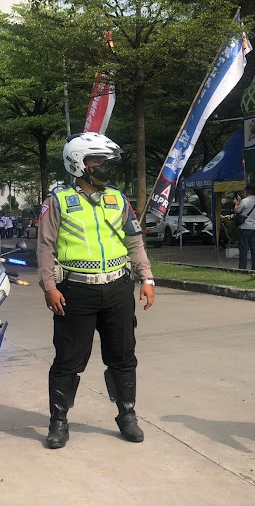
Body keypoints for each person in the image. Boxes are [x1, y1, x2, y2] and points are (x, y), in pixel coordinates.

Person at [37, 132, 155, 449]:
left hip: (117, 289)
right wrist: (49, 286)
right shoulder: (58, 202)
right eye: (99, 162)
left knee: (123, 355)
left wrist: (147, 278)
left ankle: (127, 415)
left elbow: (134, 241)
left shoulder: (119, 200)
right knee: (68, 360)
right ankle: (58, 421)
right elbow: (45, 248)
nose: (105, 168)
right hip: (74, 292)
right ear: (80, 164)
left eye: (107, 162)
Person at [234, 183, 255, 271]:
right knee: (254, 248)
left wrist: (236, 203)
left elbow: (237, 211)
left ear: (247, 191)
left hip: (244, 227)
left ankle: (242, 267)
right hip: (254, 227)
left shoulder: (244, 201)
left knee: (243, 248)